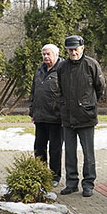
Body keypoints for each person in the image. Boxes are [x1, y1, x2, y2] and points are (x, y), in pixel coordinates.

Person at [58, 35, 105, 197]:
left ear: (82, 48)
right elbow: (60, 90)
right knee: (69, 153)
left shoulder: (91, 65)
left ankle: (88, 183)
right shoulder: (62, 67)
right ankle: (71, 183)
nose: (73, 52)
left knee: (88, 154)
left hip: (86, 117)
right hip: (68, 117)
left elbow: (100, 88)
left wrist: (88, 103)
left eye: (75, 49)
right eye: (70, 49)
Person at [29, 43, 63, 184]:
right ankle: (41, 174)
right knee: (39, 147)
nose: (45, 56)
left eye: (48, 54)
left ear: (56, 54)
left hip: (56, 118)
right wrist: (32, 111)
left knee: (55, 149)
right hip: (40, 116)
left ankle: (55, 176)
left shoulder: (62, 70)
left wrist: (63, 114)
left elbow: (67, 93)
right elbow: (33, 92)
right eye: (43, 54)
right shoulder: (39, 70)